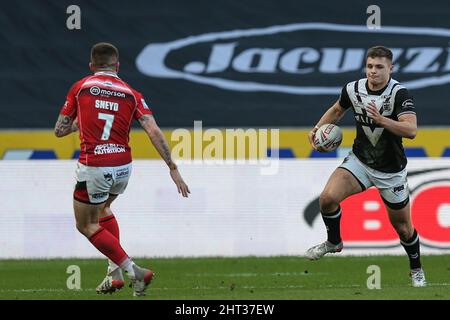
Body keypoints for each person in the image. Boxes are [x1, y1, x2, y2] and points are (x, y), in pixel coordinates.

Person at [54, 42, 190, 296]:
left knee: (86, 225)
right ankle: (113, 274)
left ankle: (134, 271)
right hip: (123, 166)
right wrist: (172, 167)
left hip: (95, 166)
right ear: (117, 66)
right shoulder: (131, 93)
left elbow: (60, 130)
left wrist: (78, 123)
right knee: (104, 209)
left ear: (91, 65)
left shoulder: (81, 87)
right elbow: (153, 130)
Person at [305, 46, 426, 287]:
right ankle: (334, 242)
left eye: (380, 67)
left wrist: (382, 120)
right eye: (370, 66)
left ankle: (416, 269)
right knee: (327, 198)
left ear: (390, 68)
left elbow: (411, 130)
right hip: (359, 161)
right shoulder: (353, 89)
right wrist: (317, 129)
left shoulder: (399, 94)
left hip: (390, 170)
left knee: (403, 228)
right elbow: (337, 110)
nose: (373, 71)